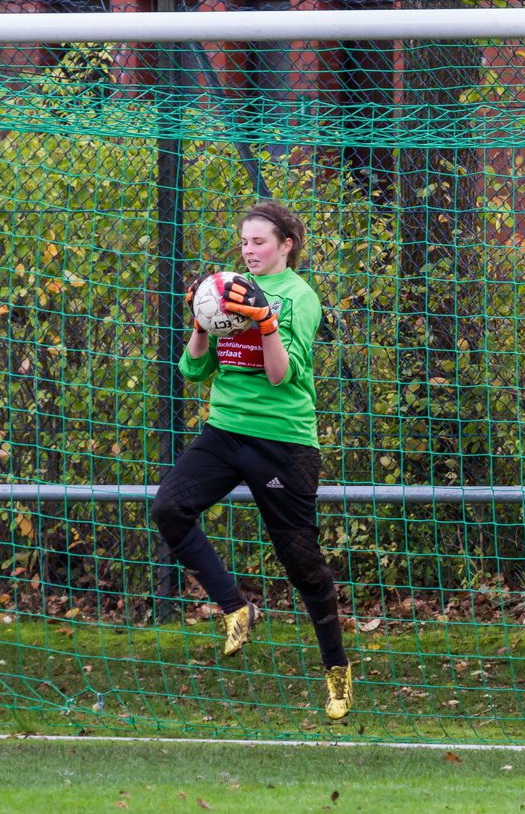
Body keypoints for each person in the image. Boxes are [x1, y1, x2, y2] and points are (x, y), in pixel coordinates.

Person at [151, 200, 352, 720]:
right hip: (224, 431)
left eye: (259, 241)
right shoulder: (226, 288)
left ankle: (337, 673)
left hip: (282, 442)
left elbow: (282, 376)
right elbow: (193, 371)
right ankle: (235, 605)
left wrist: (263, 321)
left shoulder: (300, 298)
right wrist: (200, 320)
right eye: (244, 241)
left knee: (302, 565)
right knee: (169, 508)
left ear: (287, 245)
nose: (249, 250)